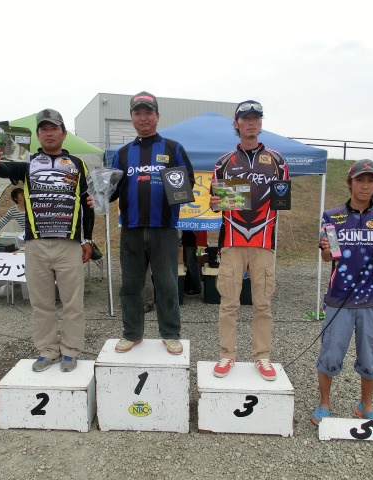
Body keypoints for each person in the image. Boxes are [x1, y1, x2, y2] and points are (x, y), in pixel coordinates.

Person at [0, 108, 93, 373]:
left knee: (72, 302)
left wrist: (87, 239)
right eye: (44, 129)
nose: (49, 133)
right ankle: (47, 350)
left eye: (54, 128)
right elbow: (3, 168)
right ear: (37, 135)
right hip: (35, 244)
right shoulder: (29, 162)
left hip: (69, 243)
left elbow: (88, 204)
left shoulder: (78, 164)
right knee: (41, 302)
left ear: (64, 134)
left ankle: (70, 351)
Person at [311, 159, 373, 426]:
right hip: (339, 298)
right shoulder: (332, 216)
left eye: (371, 181)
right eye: (360, 180)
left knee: (370, 354)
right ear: (350, 183)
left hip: (372, 299)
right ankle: (324, 403)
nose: (365, 186)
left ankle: (365, 406)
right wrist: (326, 249)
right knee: (331, 354)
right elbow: (329, 257)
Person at [208, 100, 290, 380]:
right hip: (232, 241)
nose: (251, 122)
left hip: (264, 242)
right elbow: (215, 203)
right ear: (237, 124)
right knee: (228, 303)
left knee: (263, 303)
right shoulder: (223, 162)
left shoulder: (278, 160)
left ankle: (262, 356)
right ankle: (226, 355)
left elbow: (282, 200)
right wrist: (217, 203)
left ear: (261, 123)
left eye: (256, 117)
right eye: (246, 118)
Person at [109, 91, 194, 355]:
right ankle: (131, 333)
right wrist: (97, 197)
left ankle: (170, 333)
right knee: (130, 285)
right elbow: (109, 191)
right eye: (138, 113)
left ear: (157, 116)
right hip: (131, 229)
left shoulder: (173, 148)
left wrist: (178, 189)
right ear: (132, 118)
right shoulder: (122, 153)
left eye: (148, 112)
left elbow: (187, 182)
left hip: (164, 229)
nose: (143, 117)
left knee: (167, 283)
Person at [181, 230, 202, 296]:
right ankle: (188, 286)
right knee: (188, 264)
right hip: (186, 239)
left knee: (191, 263)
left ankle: (197, 287)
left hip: (190, 239)